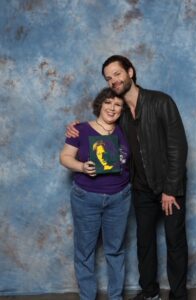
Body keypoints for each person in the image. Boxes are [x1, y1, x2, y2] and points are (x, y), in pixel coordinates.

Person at [66, 55, 188, 300]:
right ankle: (150, 291)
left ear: (130, 72)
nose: (114, 80)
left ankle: (178, 294)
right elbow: (101, 126)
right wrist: (76, 127)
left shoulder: (161, 101)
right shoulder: (118, 111)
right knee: (144, 243)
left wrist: (170, 189)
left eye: (117, 74)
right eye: (109, 78)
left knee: (174, 242)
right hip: (140, 188)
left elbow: (178, 146)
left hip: (168, 188)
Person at [60, 87, 131, 300]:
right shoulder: (80, 129)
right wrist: (82, 167)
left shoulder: (125, 130)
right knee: (85, 252)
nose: (112, 108)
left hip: (120, 198)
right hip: (86, 198)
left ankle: (116, 297)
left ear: (122, 110)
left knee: (115, 250)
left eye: (118, 105)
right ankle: (87, 297)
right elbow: (65, 157)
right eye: (108, 102)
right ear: (99, 105)